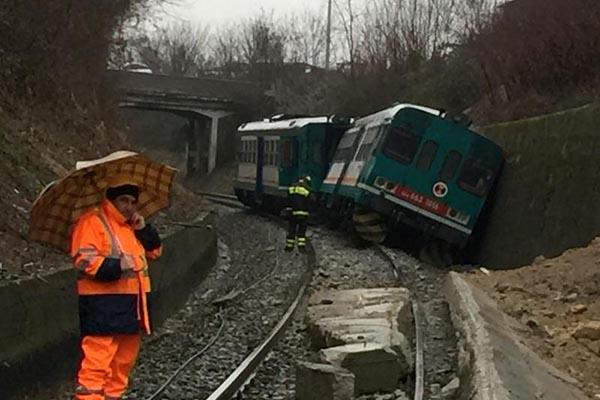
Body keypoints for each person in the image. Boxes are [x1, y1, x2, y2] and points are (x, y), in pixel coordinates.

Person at [70, 179, 162, 400]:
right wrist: (117, 266)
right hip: (103, 307)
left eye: (133, 201)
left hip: (131, 308)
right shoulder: (92, 222)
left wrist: (143, 229)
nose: (129, 206)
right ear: (111, 200)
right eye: (123, 200)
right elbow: (83, 259)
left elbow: (155, 251)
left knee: (121, 368)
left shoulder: (130, 227)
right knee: (96, 366)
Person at [285, 175, 311, 252]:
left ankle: (289, 247)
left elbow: (287, 201)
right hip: (303, 215)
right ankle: (301, 247)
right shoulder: (306, 192)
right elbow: (310, 202)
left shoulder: (291, 190)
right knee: (301, 231)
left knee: (291, 229)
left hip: (293, 214)